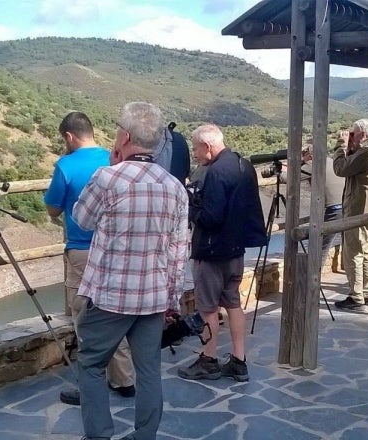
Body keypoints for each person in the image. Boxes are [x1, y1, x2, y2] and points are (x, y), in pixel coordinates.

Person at [72, 102, 190, 440]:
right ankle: (145, 436)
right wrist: (172, 301)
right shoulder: (174, 188)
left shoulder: (108, 178)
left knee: (92, 365)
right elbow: (178, 252)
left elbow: (82, 219)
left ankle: (98, 435)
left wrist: (112, 165)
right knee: (149, 372)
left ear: (123, 136)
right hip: (153, 298)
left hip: (110, 297)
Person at [43, 112, 136, 407]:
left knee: (84, 320)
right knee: (114, 312)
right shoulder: (114, 159)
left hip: (82, 249)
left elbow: (53, 210)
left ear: (69, 137)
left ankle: (89, 386)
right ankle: (124, 379)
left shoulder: (66, 164)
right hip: (116, 247)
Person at [178, 124, 267, 382]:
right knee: (233, 304)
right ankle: (239, 361)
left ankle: (209, 359)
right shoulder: (243, 165)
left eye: (195, 148)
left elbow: (211, 217)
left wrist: (190, 206)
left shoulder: (215, 172)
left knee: (207, 308)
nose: (194, 154)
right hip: (235, 249)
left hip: (211, 251)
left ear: (207, 146)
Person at [332, 118, 368, 310]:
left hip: (357, 210)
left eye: (353, 133)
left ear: (363, 134)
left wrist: (340, 146)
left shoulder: (367, 153)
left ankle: (356, 295)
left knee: (354, 253)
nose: (351, 136)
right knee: (366, 252)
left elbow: (340, 168)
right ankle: (367, 291)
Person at [282, 143, 345, 271]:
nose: (302, 159)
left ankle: (314, 277)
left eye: (303, 156)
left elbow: (289, 178)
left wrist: (280, 171)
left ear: (309, 156)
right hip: (345, 206)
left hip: (334, 210)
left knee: (320, 246)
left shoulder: (313, 164)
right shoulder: (330, 161)